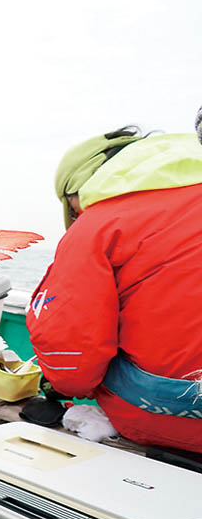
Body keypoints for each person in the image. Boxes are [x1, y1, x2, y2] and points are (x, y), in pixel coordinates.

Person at [27, 126, 202, 453]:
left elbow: (71, 364)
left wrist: (58, 384)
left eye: (70, 201)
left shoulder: (101, 225)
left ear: (84, 183)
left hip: (167, 420)